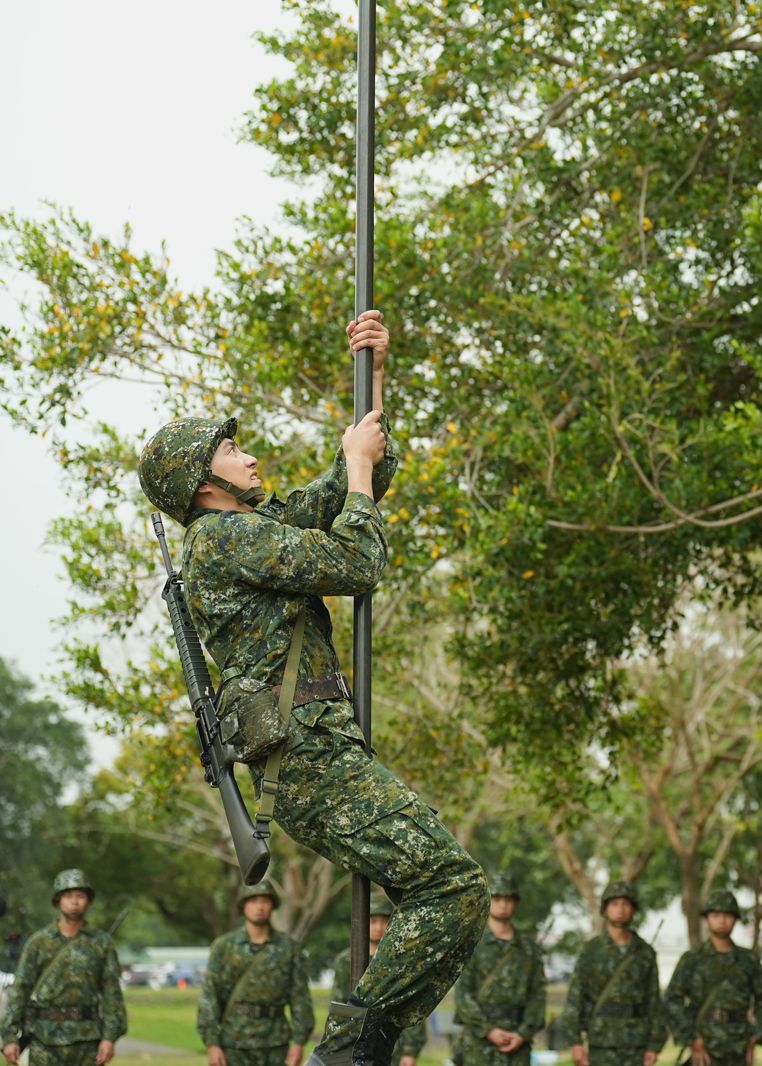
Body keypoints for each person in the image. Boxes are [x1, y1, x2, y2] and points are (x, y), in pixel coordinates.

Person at [136, 310, 488, 1066]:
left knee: (442, 886)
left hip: (319, 753)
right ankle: (351, 1050)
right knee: (453, 888)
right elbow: (356, 561)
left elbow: (345, 488)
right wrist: (356, 472)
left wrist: (376, 380)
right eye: (231, 449)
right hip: (309, 758)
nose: (250, 454)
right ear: (201, 483)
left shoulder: (248, 529)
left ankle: (363, 1044)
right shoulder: (224, 537)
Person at [1, 870, 127, 1066]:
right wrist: (9, 1036)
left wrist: (109, 1038)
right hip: (44, 1038)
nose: (74, 902)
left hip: (87, 1039)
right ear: (58, 900)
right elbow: (20, 989)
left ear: (88, 900)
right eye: (68, 896)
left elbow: (112, 993)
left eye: (80, 896)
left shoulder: (101, 943)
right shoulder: (39, 943)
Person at [197, 882, 315, 1066]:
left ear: (272, 905)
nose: (259, 907)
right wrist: (212, 1043)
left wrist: (299, 1042)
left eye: (264, 901)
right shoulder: (224, 947)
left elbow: (300, 997)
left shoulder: (289, 948)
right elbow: (209, 995)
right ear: (243, 906)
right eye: (253, 901)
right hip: (234, 1043)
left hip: (275, 1043)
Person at [559, 883, 666, 1066]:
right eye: (614, 904)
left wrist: (654, 1045)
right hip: (602, 1042)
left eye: (625, 904)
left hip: (636, 1042)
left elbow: (653, 1000)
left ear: (633, 909)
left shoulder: (644, 953)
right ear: (605, 909)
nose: (620, 909)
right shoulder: (591, 951)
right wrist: (575, 1043)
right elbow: (575, 998)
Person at [663, 890, 762, 1066]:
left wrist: (756, 1036)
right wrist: (691, 1038)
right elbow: (672, 999)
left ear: (735, 918)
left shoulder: (748, 960)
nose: (722, 920)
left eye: (727, 915)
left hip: (739, 1045)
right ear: (707, 919)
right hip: (704, 1045)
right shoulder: (692, 959)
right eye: (716, 915)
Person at [454, 875, 547, 1066]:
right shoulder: (471, 943)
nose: (503, 904)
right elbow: (463, 995)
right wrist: (488, 1030)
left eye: (508, 899)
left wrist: (522, 1034)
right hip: (479, 1042)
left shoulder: (529, 949)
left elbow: (537, 995)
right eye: (497, 899)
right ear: (488, 900)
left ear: (515, 903)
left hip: (517, 1042)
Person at [330, 896, 426, 1066]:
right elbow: (340, 1005)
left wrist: (410, 1051)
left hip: (393, 1044)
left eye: (383, 921)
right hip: (355, 1045)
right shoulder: (345, 961)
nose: (378, 927)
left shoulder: (402, 960)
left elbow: (411, 1007)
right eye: (373, 921)